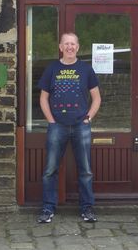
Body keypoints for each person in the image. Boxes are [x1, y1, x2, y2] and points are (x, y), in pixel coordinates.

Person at [37, 32, 101, 224]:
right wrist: (51, 120)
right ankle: (48, 208)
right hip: (58, 126)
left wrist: (88, 118)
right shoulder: (52, 69)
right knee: (50, 170)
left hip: (81, 126)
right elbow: (43, 97)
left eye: (73, 44)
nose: (70, 47)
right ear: (60, 47)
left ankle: (87, 208)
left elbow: (96, 97)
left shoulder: (86, 69)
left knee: (86, 170)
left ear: (78, 47)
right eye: (66, 44)